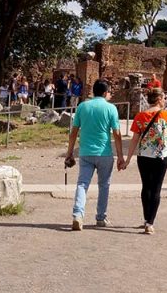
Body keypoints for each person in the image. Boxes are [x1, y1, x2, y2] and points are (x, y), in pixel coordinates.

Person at [66, 79, 124, 231]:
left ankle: (78, 214)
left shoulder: (82, 106)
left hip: (85, 151)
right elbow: (117, 134)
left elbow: (73, 133)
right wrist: (120, 156)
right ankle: (101, 217)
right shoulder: (111, 108)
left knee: (82, 184)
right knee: (104, 185)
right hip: (104, 153)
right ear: (105, 93)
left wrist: (69, 153)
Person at [123, 88, 167, 234]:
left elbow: (134, 140)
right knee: (156, 188)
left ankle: (146, 218)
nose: (165, 100)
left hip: (144, 156)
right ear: (159, 99)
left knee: (146, 187)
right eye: (164, 98)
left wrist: (128, 159)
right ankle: (150, 222)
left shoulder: (140, 116)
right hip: (161, 156)